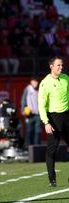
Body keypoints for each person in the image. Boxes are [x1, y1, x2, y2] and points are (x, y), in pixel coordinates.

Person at [38, 56, 69, 187]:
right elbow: (41, 105)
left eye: (62, 65)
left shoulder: (66, 79)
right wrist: (46, 122)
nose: (61, 67)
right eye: (58, 65)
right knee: (52, 150)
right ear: (51, 66)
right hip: (53, 119)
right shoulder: (45, 83)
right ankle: (52, 179)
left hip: (67, 116)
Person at [21, 76, 42, 146]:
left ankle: (37, 147)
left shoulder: (40, 89)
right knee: (29, 131)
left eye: (36, 81)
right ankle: (28, 148)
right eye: (34, 81)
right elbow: (23, 100)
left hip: (38, 114)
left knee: (38, 131)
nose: (35, 83)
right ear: (31, 82)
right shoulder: (27, 89)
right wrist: (23, 109)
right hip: (29, 114)